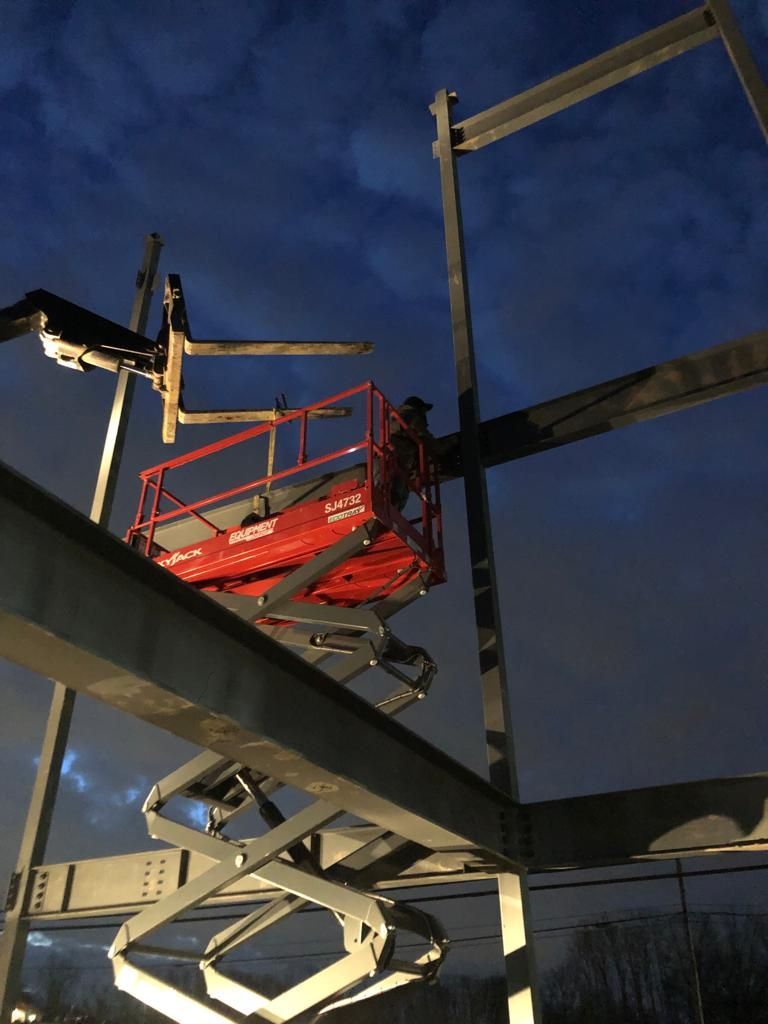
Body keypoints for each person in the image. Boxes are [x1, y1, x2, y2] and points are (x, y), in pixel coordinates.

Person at [389, 395, 434, 511]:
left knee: (397, 490)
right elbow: (424, 435)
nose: (424, 415)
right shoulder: (412, 415)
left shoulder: (398, 417)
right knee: (397, 493)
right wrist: (444, 446)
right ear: (418, 408)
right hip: (399, 457)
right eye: (424, 411)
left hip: (392, 458)